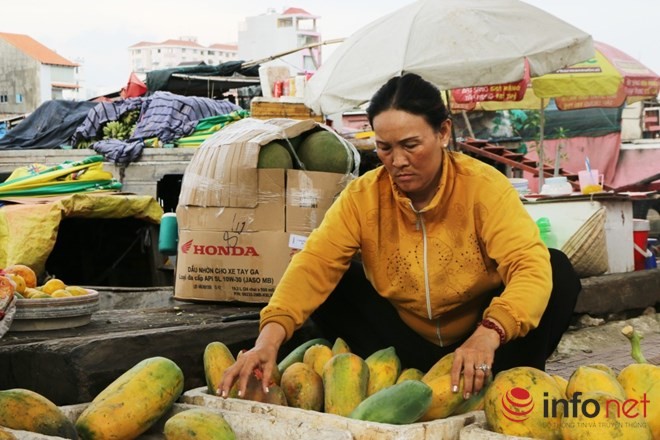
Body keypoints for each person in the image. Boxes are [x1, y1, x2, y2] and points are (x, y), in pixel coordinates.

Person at [219, 73, 581, 402]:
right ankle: (395, 380)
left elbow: (528, 266)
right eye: (385, 147)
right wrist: (266, 340)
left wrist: (490, 331)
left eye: (411, 144)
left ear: (443, 133)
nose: (398, 160)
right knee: (332, 281)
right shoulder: (364, 196)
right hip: (400, 343)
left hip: (482, 341)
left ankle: (516, 381)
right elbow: (315, 263)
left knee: (555, 268)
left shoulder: (485, 188)